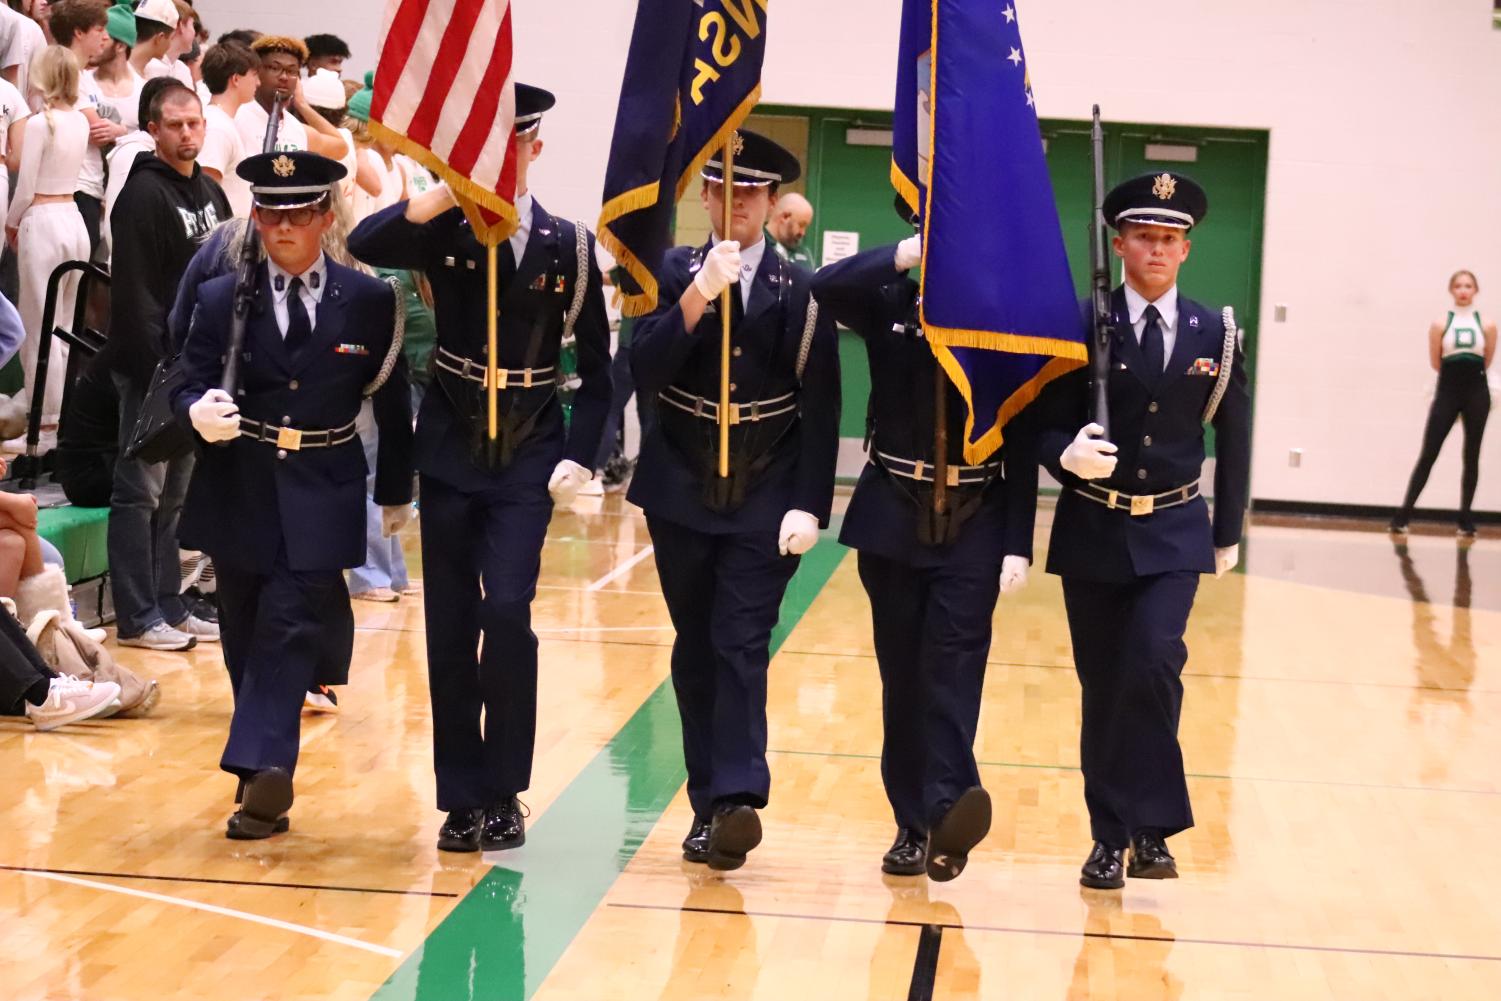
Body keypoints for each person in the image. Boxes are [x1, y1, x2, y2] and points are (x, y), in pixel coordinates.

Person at [349, 84, 611, 854]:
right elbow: (368, 243)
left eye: (517, 144)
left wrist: (581, 455)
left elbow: (601, 370)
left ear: (534, 147)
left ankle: (505, 789)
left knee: (507, 614)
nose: (507, 158)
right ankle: (462, 798)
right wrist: (433, 198)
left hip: (528, 449)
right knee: (451, 624)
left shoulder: (571, 245)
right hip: (454, 442)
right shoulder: (444, 231)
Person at [173, 150, 413, 840]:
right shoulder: (225, 299)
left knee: (289, 617)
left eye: (300, 212)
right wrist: (197, 410)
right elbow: (185, 378)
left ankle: (266, 767)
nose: (284, 225)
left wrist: (396, 488)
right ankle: (260, 772)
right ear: (254, 215)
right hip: (239, 480)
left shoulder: (368, 300)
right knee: (244, 630)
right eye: (271, 211)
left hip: (322, 481)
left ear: (325, 217)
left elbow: (391, 401)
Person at [628, 130, 839, 872]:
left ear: (772, 203)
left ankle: (737, 797)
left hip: (765, 486)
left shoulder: (799, 289)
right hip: (681, 484)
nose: (738, 202)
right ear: (705, 196)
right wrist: (696, 296)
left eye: (753, 192)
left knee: (740, 641)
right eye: (725, 189)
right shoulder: (668, 271)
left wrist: (809, 503)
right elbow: (642, 367)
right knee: (696, 646)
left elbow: (822, 400)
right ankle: (705, 800)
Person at [1036, 171, 1250, 890]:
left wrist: (1228, 527)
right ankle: (1107, 836)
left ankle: (1151, 829)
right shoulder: (1078, 323)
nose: (1157, 249)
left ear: (1185, 250)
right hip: (1094, 529)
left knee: (1154, 666)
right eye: (1144, 237)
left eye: (1170, 239)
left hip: (1172, 529)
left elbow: (1235, 428)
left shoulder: (1211, 331)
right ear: (1119, 243)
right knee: (1104, 684)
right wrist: (1062, 458)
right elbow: (1040, 419)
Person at [810, 208, 1036, 882]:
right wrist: (901, 257)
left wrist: (1019, 538)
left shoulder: (1008, 309)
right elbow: (821, 288)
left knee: (954, 666)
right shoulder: (889, 297)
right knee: (903, 674)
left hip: (976, 510)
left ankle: (946, 808)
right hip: (894, 506)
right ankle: (912, 821)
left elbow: (1022, 426)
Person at [101, 79, 228, 651]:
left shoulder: (211, 193)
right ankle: (136, 615)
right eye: (174, 124)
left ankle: (171, 604)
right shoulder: (142, 196)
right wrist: (161, 370)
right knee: (139, 493)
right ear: (152, 130)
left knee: (177, 495)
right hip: (152, 368)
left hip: (198, 370)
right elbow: (134, 296)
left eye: (194, 123)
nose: (186, 133)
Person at [5, 45, 90, 454]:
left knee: (39, 326)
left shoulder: (43, 123)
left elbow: (25, 186)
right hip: (74, 217)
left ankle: (46, 424)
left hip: (43, 216)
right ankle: (60, 416)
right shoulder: (80, 123)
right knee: (66, 326)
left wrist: (11, 221)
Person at [1389, 270, 1495, 538]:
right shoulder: (1440, 323)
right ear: (1451, 290)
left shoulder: (1487, 324)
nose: (1463, 290)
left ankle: (1465, 519)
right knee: (1429, 452)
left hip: (1476, 391)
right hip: (1447, 390)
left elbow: (1487, 359)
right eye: (1458, 286)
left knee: (1471, 455)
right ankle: (1403, 516)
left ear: (1475, 290)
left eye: (1468, 286)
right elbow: (1436, 361)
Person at [48, 0, 121, 256]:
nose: (105, 37)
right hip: (74, 186)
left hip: (87, 185)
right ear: (79, 32)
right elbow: (97, 131)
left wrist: (117, 129)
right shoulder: (67, 73)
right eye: (99, 29)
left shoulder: (83, 76)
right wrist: (122, 131)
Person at [235, 35, 348, 162]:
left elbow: (341, 147)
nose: (284, 77)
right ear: (256, 71)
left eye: (292, 71)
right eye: (274, 68)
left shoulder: (296, 128)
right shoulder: (236, 116)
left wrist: (302, 105)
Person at [197, 39, 256, 217]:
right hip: (223, 239)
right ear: (236, 79)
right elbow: (206, 197)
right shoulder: (217, 127)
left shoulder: (223, 122)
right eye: (254, 75)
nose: (258, 83)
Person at [92, 1, 142, 131]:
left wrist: (121, 133)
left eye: (104, 39)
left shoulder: (142, 90)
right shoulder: (82, 83)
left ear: (120, 46)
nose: (95, 44)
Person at [768, 191, 814, 269]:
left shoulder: (804, 252)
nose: (803, 233)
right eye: (801, 225)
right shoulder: (757, 245)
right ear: (785, 217)